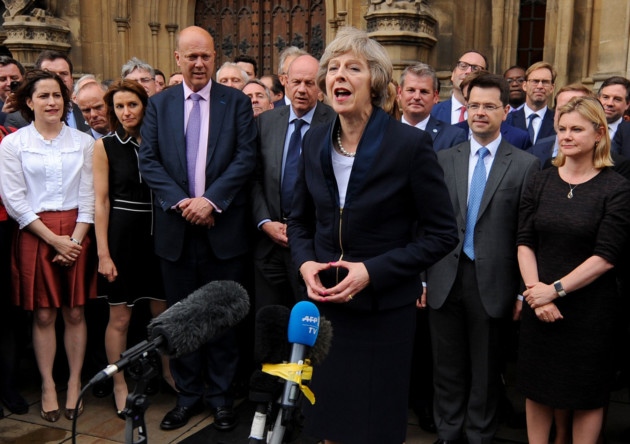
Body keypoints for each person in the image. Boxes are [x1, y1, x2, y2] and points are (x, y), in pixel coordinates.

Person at [287, 27, 458, 444]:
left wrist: (372, 272)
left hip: (384, 313)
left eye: (353, 68)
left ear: (377, 82)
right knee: (327, 421)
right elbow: (298, 221)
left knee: (373, 428)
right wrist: (306, 261)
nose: (338, 75)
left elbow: (441, 234)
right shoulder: (313, 143)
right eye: (333, 68)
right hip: (328, 308)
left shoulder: (409, 146)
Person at [138, 25, 256, 432]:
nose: (200, 63)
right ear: (177, 59)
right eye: (191, 56)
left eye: (206, 55)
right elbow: (149, 161)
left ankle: (222, 398)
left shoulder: (236, 102)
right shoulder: (161, 104)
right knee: (182, 319)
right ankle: (188, 396)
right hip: (177, 231)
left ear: (214, 55)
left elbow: (245, 158)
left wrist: (210, 201)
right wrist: (184, 203)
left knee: (222, 318)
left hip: (223, 231)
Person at [426, 73, 539, 444]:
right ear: (465, 109)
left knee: (487, 369)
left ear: (506, 111)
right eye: (474, 105)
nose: (480, 113)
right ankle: (448, 432)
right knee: (446, 366)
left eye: (490, 106)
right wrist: (423, 278)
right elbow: (426, 222)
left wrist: (524, 291)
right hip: (444, 277)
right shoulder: (443, 159)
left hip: (494, 283)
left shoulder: (524, 165)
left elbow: (528, 232)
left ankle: (478, 435)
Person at [517, 95, 630, 444]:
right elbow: (524, 241)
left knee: (586, 394)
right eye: (562, 128)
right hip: (540, 306)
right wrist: (537, 293)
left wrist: (555, 290)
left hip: (591, 311)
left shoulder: (617, 187)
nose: (566, 135)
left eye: (576, 129)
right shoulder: (540, 180)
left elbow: (607, 256)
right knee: (537, 389)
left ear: (598, 133)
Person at [0, 69, 97, 422]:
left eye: (57, 95)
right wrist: (54, 239)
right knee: (43, 314)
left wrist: (74, 240)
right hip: (36, 232)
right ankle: (47, 385)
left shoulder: (83, 142)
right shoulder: (14, 144)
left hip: (77, 231)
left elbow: (89, 196)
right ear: (29, 101)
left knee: (75, 311)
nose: (52, 102)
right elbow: (14, 200)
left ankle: (73, 383)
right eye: (43, 96)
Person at [93, 79, 170, 418]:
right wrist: (103, 253)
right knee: (120, 316)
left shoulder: (161, 143)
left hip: (158, 236)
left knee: (162, 312)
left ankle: (169, 371)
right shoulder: (105, 146)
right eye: (119, 106)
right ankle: (119, 383)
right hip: (121, 238)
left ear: (145, 106)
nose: (126, 112)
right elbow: (100, 201)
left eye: (132, 105)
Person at [252, 54, 335, 311]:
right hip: (268, 247)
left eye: (310, 83)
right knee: (270, 325)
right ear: (284, 82)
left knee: (310, 325)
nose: (302, 90)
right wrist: (265, 222)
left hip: (313, 249)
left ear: (320, 87)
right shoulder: (265, 122)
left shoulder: (335, 123)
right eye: (296, 81)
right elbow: (253, 178)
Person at [5, 51, 92, 133]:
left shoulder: (88, 111)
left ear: (72, 79)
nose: (58, 79)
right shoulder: (17, 120)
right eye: (50, 73)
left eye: (63, 73)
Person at [397, 62, 467, 151]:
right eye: (411, 90)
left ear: (435, 96)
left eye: (424, 92)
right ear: (399, 93)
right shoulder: (384, 133)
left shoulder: (453, 136)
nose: (417, 97)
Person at [431, 50, 488, 124]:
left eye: (475, 68)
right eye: (463, 66)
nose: (468, 71)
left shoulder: (493, 116)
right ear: (453, 75)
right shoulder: (431, 113)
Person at [506, 61, 556, 144]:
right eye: (535, 81)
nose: (540, 86)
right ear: (525, 86)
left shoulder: (557, 121)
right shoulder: (508, 119)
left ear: (552, 88)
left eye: (545, 82)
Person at [597, 76, 630, 140]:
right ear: (598, 99)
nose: (610, 103)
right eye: (605, 97)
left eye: (617, 99)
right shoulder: (583, 126)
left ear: (627, 104)